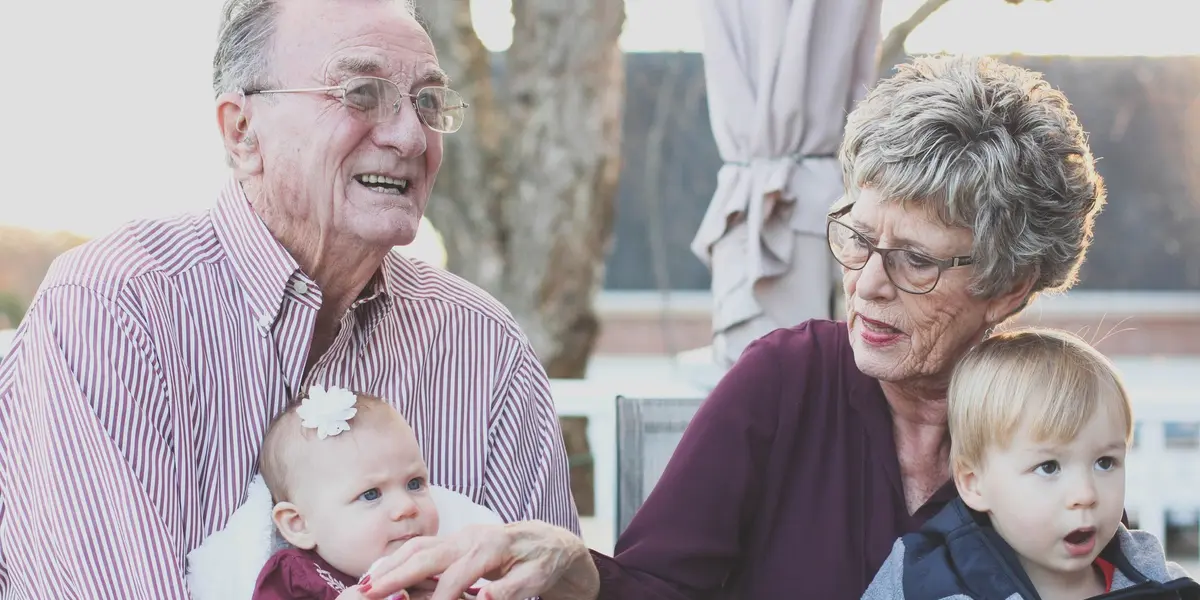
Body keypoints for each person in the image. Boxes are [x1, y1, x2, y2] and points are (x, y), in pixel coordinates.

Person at [358, 54, 1112, 600]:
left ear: (1008, 287)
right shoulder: (787, 381)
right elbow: (655, 587)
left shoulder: (1054, 421)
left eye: (916, 260)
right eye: (857, 236)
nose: (868, 284)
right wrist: (577, 568)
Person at [0, 0, 578, 597]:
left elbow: (547, 585)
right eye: (360, 92)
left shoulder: (482, 341)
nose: (410, 135)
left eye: (428, 101)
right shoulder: (114, 310)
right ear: (242, 131)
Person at [862, 328, 1198, 600]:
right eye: (1049, 467)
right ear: (973, 482)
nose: (1085, 494)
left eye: (1105, 462)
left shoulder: (1161, 583)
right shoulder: (924, 583)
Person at [252, 387, 439, 599]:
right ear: (299, 524)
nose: (407, 506)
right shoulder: (296, 576)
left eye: (415, 484)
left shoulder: (444, 567)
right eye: (371, 494)